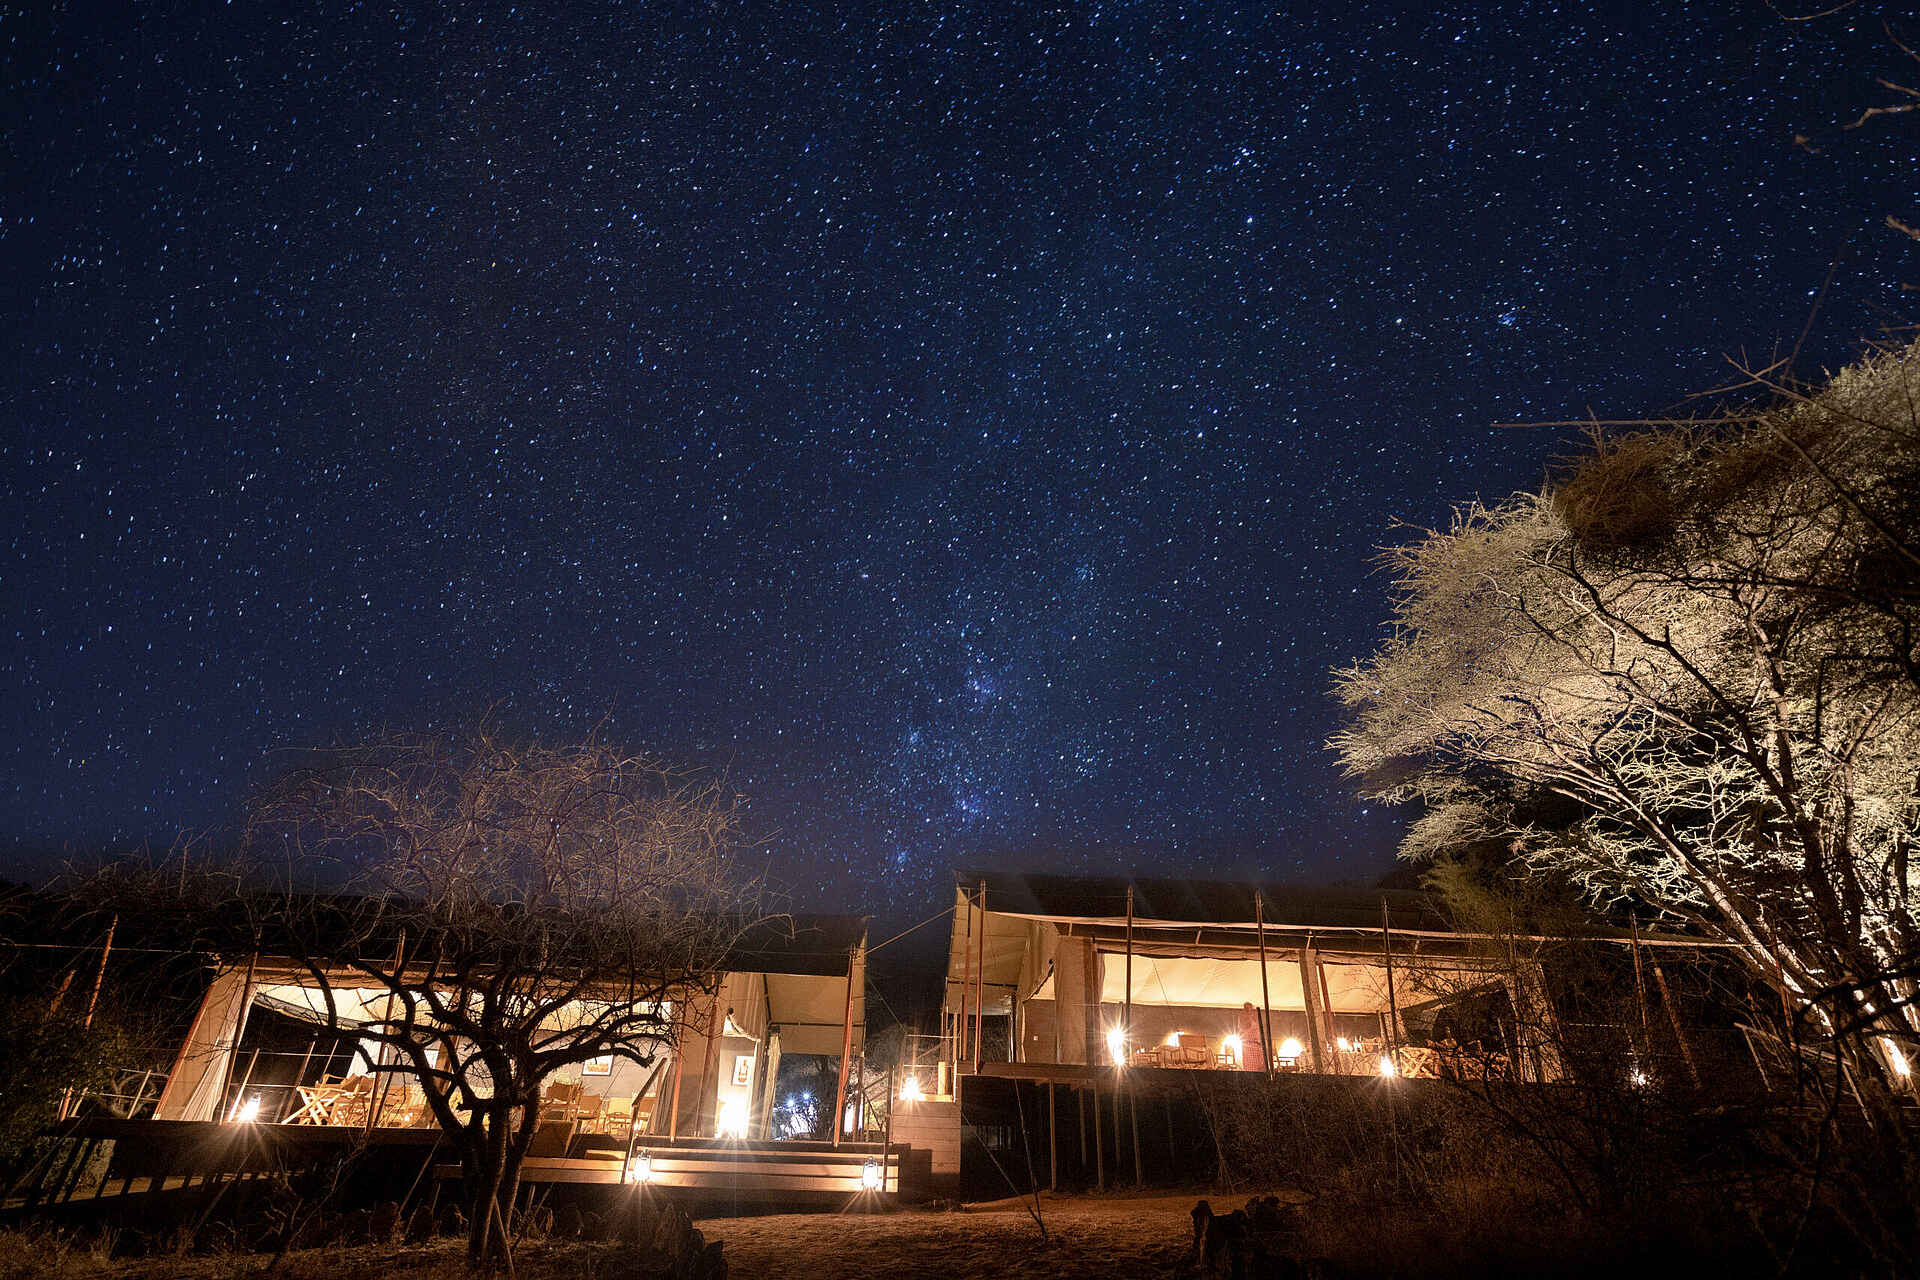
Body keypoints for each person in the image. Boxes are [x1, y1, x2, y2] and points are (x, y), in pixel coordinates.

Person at [1237, 1002, 1266, 1071]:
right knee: (1251, 1068)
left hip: (1258, 1045)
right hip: (1249, 1045)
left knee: (1261, 1067)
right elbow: (1245, 1026)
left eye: (1251, 1008)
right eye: (1248, 1008)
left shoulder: (1253, 1017)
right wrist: (1249, 1016)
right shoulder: (1243, 1017)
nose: (1250, 1010)